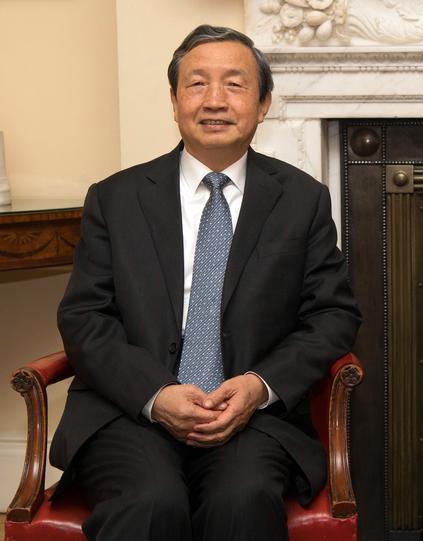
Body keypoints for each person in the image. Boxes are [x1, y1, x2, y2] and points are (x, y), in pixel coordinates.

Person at [52, 24, 361, 541]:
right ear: (174, 101)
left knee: (242, 502)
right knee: (148, 503)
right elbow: (84, 318)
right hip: (132, 411)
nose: (214, 100)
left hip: (251, 417)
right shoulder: (115, 198)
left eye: (235, 84)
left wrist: (257, 387)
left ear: (263, 104)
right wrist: (156, 393)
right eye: (197, 84)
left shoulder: (302, 200)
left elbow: (333, 316)